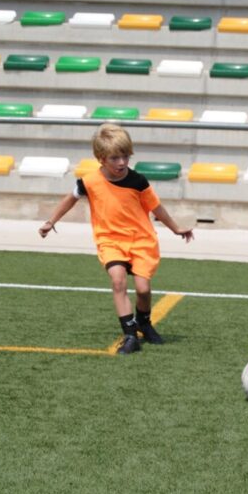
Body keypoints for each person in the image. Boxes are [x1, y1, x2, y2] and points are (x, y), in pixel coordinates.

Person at [38, 123, 194, 355]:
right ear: (101, 158)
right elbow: (69, 199)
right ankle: (130, 336)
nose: (122, 162)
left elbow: (156, 208)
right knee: (118, 281)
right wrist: (51, 221)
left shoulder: (138, 181)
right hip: (110, 240)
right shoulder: (89, 181)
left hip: (141, 240)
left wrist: (175, 228)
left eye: (125, 156)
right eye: (115, 158)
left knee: (143, 289)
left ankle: (144, 323)